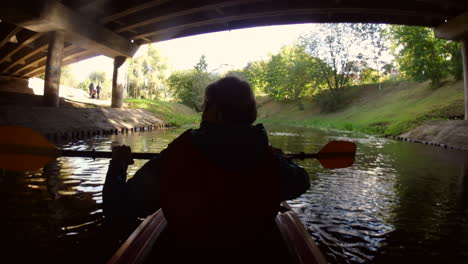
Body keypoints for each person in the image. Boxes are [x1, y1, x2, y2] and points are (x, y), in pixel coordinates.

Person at [103, 76, 310, 261]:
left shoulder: (179, 153)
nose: (203, 110)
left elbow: (119, 208)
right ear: (252, 113)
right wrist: (281, 159)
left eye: (206, 106)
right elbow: (301, 183)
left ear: (217, 113)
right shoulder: (270, 159)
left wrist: (118, 165)